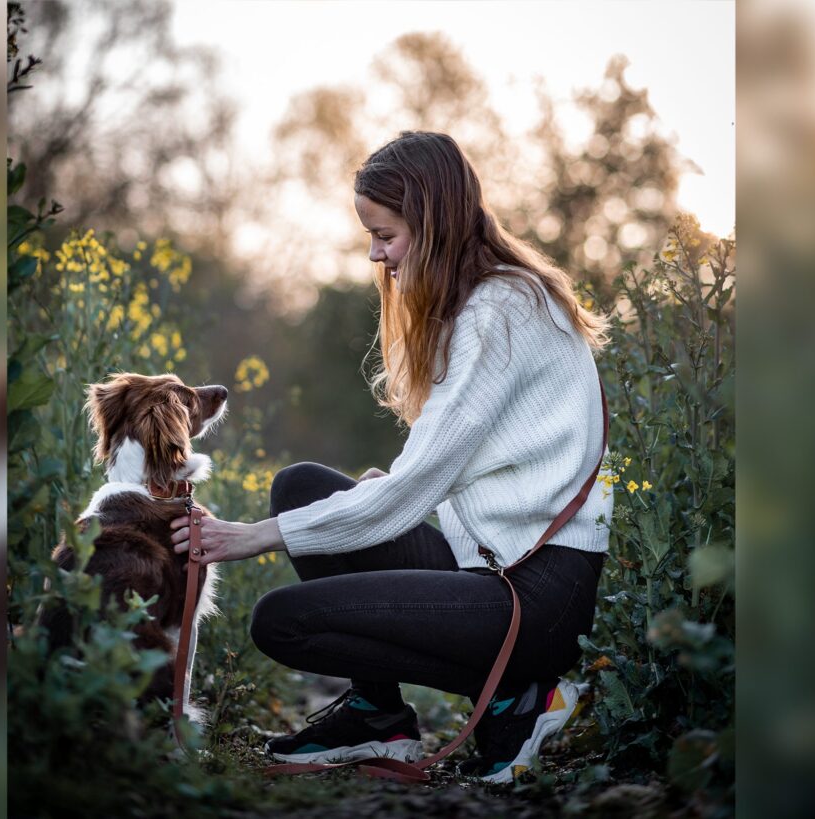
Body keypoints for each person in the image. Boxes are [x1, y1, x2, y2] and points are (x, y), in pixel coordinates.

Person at [170, 131, 612, 784]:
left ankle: (524, 698)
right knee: (303, 485)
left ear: (431, 222)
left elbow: (410, 492)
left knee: (280, 623)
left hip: (538, 597)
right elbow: (448, 469)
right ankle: (379, 714)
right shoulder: (486, 300)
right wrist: (385, 490)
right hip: (497, 564)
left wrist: (252, 538)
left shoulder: (501, 309)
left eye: (385, 235)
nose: (376, 255)